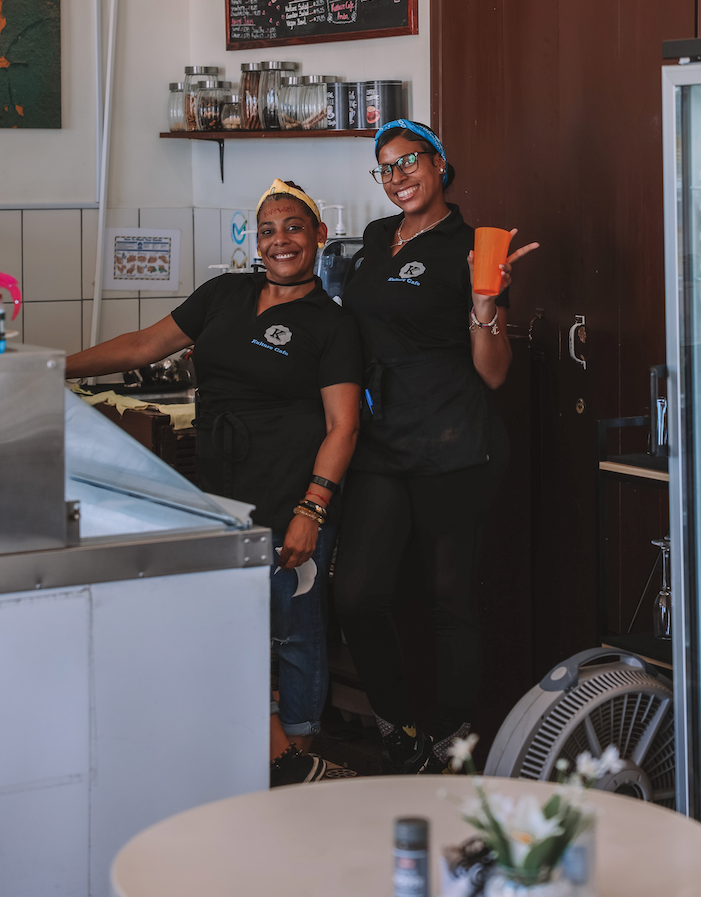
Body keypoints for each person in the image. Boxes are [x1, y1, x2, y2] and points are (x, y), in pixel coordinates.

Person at [66, 180, 362, 785]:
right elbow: (144, 344)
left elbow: (344, 426)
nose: (281, 241)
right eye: (269, 230)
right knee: (232, 621)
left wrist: (313, 508)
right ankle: (267, 750)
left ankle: (302, 751)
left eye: (294, 228)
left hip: (291, 487)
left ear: (319, 237)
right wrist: (51, 366)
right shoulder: (227, 292)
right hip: (222, 489)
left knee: (294, 627)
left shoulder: (331, 324)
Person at [335, 119, 539, 774]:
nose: (397, 177)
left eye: (409, 162)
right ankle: (397, 723)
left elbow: (494, 371)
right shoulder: (375, 237)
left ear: (440, 163)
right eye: (385, 168)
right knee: (359, 594)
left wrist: (486, 300)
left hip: (455, 441)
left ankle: (452, 743)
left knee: (451, 600)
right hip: (383, 438)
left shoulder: (472, 245)